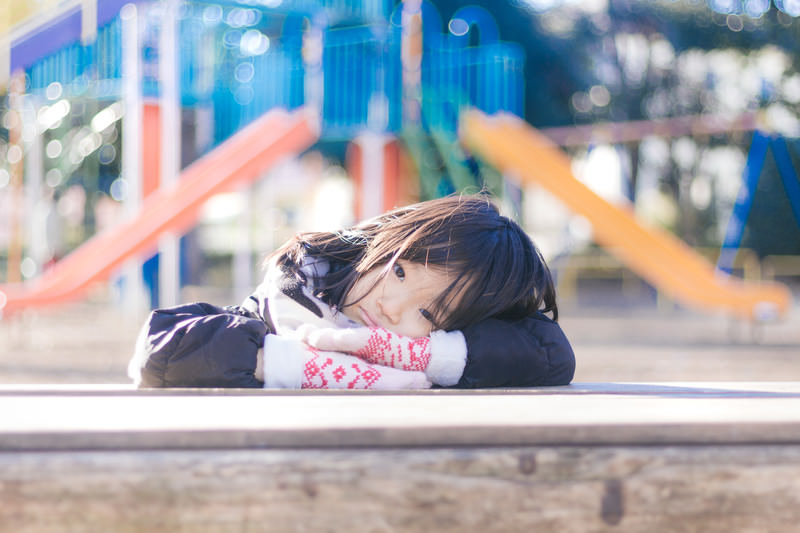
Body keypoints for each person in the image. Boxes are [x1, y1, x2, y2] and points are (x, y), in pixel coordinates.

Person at [128, 193, 575, 389]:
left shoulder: (429, 361)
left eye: (429, 315)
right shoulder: (278, 310)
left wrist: (422, 357)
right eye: (399, 272)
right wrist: (297, 364)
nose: (390, 306)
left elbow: (550, 352)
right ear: (383, 241)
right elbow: (158, 352)